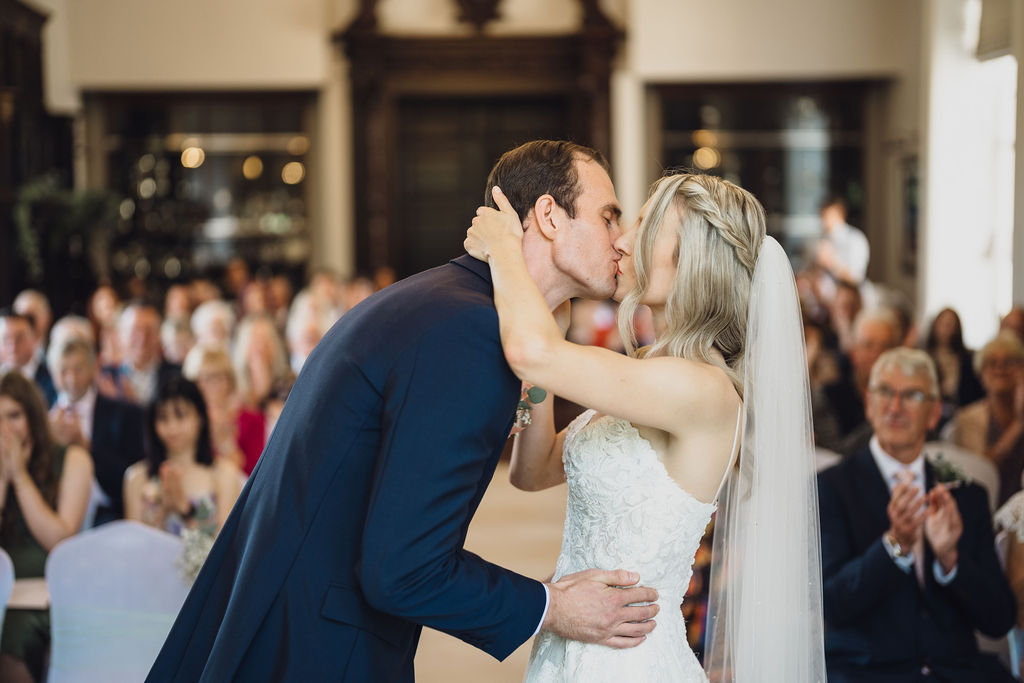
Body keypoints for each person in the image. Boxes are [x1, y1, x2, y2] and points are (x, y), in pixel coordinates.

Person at [146, 140, 662, 682]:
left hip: (291, 617)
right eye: (609, 217)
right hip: (313, 649)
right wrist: (553, 606)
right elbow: (403, 569)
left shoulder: (447, 305)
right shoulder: (469, 335)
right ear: (550, 217)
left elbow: (520, 471)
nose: (622, 239)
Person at [464, 173, 824, 680]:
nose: (623, 240)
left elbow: (531, 352)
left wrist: (507, 251)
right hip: (570, 646)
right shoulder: (649, 371)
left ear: (693, 260)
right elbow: (534, 470)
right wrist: (542, 364)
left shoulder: (703, 390)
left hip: (630, 661)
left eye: (645, 226)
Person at [818, 348, 1016, 681]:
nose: (895, 407)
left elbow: (999, 620)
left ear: (934, 412)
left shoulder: (967, 495)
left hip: (956, 672)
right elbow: (832, 604)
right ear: (868, 403)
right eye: (884, 392)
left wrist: (952, 559)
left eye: (911, 395)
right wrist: (894, 546)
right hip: (869, 672)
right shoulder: (831, 488)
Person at [0, 371, 93, 683]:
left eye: (14, 415)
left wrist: (20, 478)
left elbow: (61, 542)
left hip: (44, 592)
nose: (5, 429)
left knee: (12, 636)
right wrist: (2, 479)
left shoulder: (71, 460)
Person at [123, 377, 242, 536]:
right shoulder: (137, 477)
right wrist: (162, 512)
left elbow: (225, 547)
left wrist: (184, 508)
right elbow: (134, 546)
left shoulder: (224, 474)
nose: (172, 427)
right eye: (163, 418)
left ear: (200, 417)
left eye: (180, 416)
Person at [48, 335, 145, 524]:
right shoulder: (43, 416)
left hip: (109, 513)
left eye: (78, 369)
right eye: (63, 370)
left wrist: (85, 444)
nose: (71, 378)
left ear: (93, 369)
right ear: (52, 373)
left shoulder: (125, 414)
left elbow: (131, 477)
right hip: (55, 511)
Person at [947, 331, 1024, 507]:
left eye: (1009, 361)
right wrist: (1018, 426)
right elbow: (979, 470)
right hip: (985, 509)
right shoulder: (968, 417)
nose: (1000, 368)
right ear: (981, 374)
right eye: (991, 363)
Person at [182, 346, 264, 475]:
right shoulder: (185, 421)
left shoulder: (252, 420)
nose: (209, 385)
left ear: (230, 380)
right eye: (201, 378)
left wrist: (225, 442)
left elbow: (254, 473)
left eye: (216, 376)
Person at [0, 310, 56, 408]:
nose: (13, 346)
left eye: (20, 338)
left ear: (35, 337)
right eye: (6, 338)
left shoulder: (53, 378)